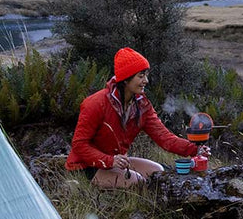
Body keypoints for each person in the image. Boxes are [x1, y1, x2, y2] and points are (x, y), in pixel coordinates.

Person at [66, 47, 209, 188]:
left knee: (158, 172)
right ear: (125, 79)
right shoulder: (96, 103)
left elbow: (164, 138)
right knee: (137, 181)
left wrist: (195, 149)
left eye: (146, 75)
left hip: (116, 162)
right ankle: (79, 185)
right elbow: (79, 145)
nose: (146, 80)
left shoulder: (142, 106)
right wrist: (109, 160)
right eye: (140, 76)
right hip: (85, 165)